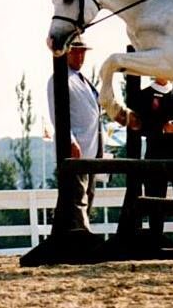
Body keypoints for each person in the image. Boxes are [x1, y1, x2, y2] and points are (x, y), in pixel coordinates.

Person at [127, 78, 173, 246]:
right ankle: (156, 240)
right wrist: (162, 128)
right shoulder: (145, 95)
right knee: (156, 196)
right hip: (156, 150)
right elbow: (139, 126)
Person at [47, 36, 102, 231]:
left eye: (82, 52)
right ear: (67, 53)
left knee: (88, 193)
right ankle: (82, 234)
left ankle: (73, 232)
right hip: (76, 146)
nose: (80, 56)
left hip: (92, 147)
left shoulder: (83, 80)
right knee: (77, 195)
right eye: (76, 52)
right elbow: (56, 114)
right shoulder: (59, 79)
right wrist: (69, 140)